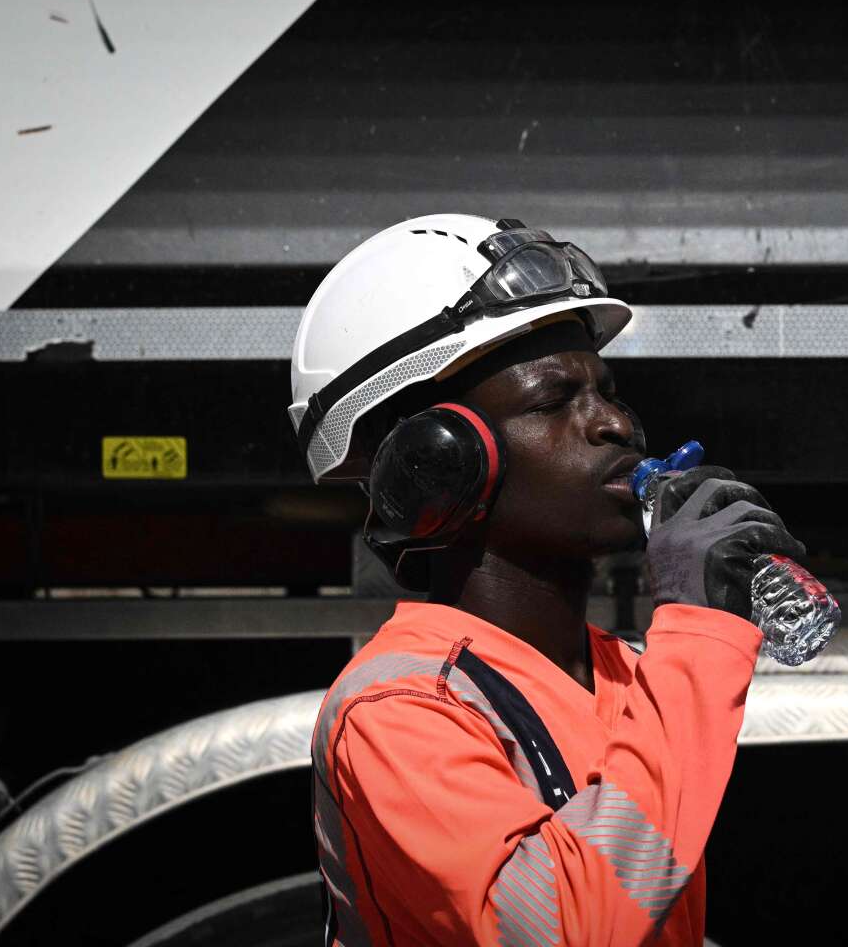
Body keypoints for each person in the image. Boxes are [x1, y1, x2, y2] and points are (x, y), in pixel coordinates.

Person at [289, 213, 805, 946]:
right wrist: (695, 630)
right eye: (553, 402)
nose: (616, 425)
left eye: (609, 393)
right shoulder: (399, 710)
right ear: (439, 465)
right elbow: (562, 931)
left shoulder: (629, 676)